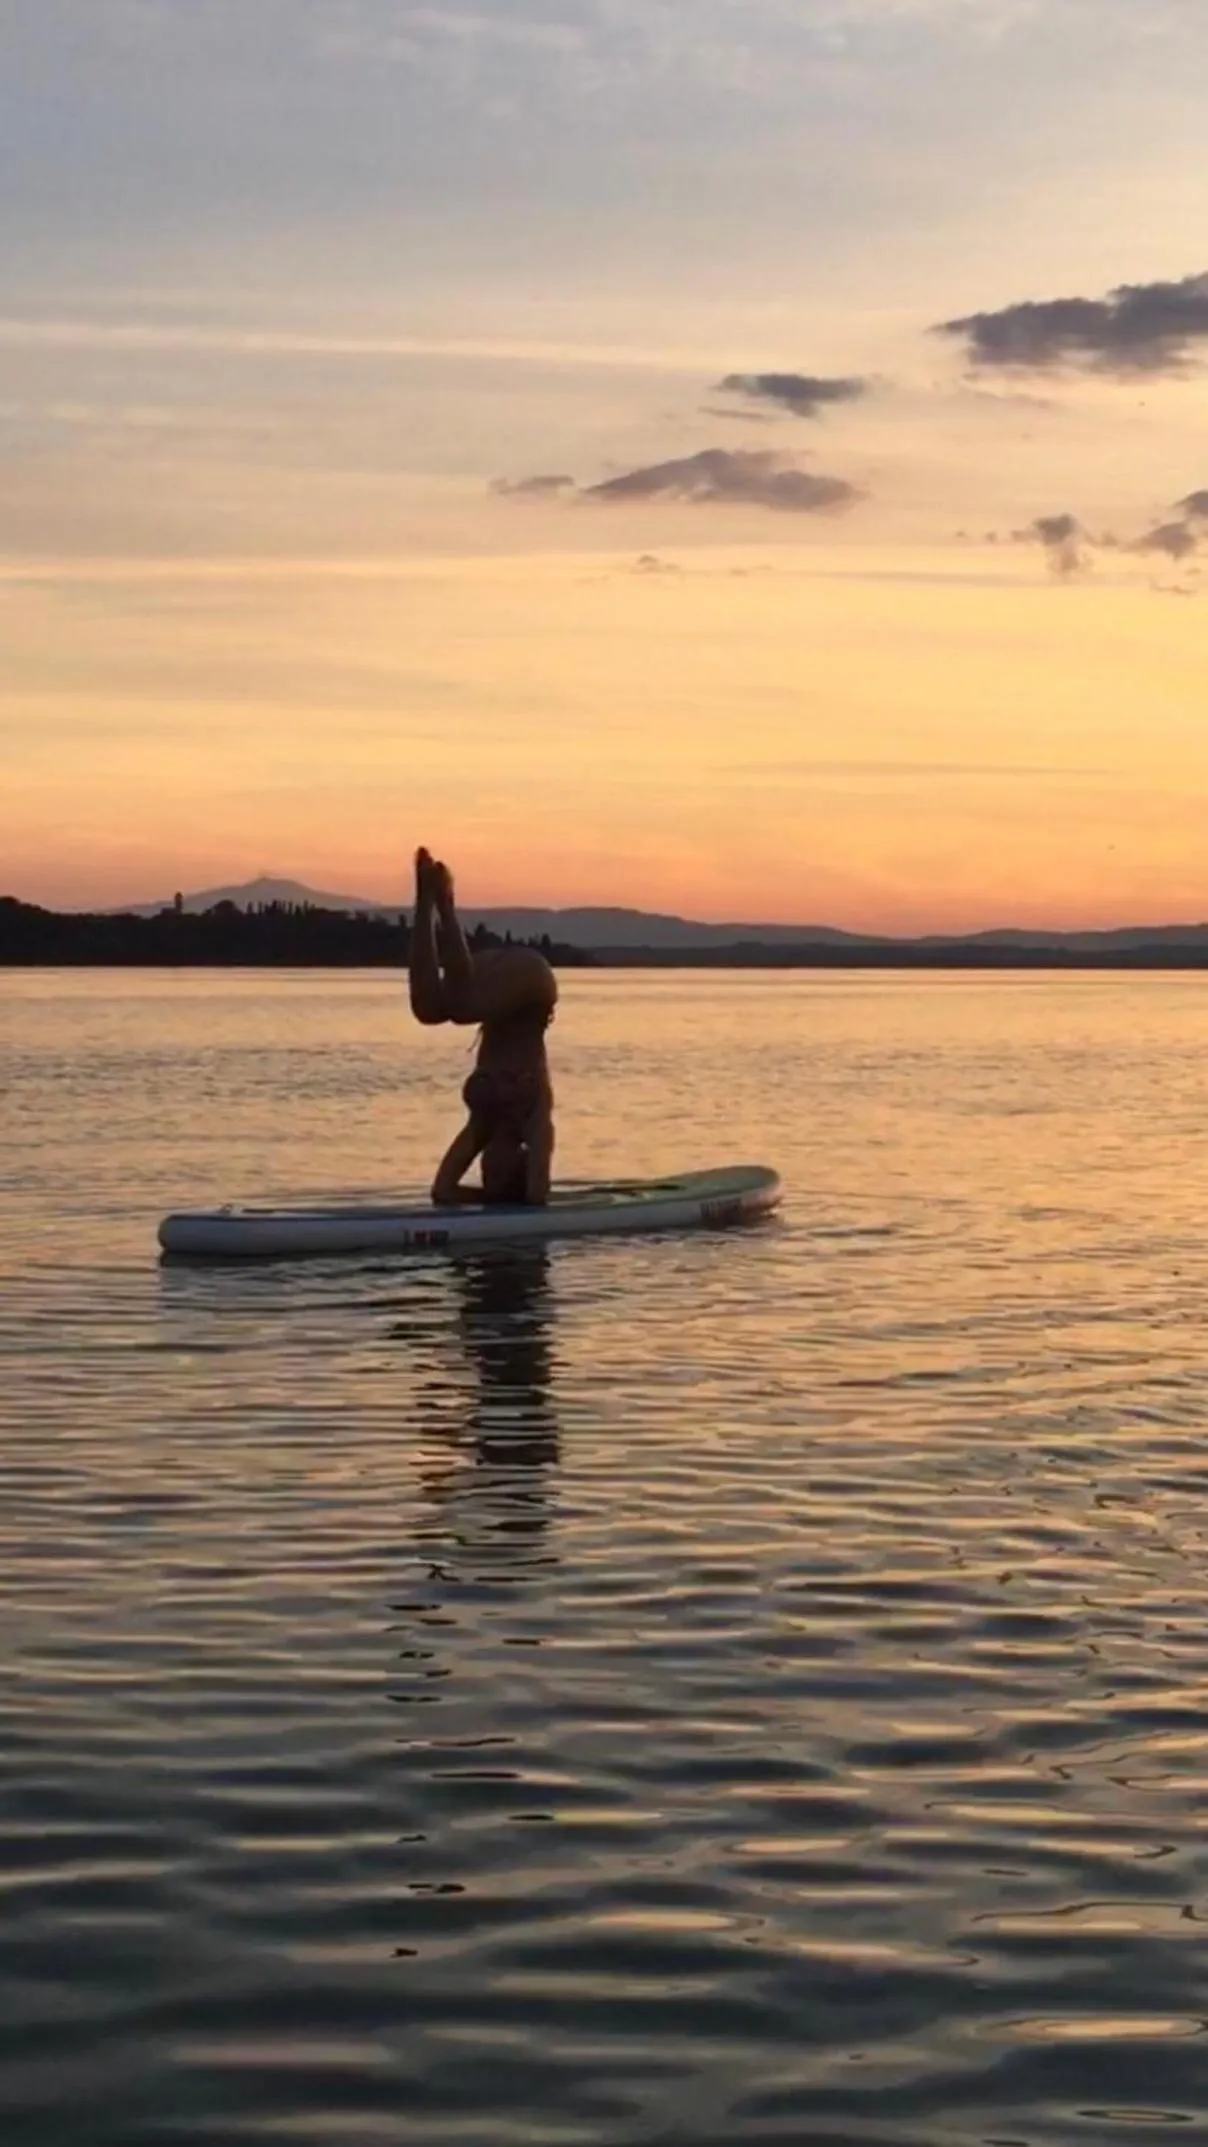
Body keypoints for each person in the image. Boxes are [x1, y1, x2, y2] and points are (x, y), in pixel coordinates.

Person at [409, 847, 557, 1207]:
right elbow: (538, 1195)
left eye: (485, 1176)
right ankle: (445, 901)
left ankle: (427, 901)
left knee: (427, 1010)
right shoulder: (535, 1124)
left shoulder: (482, 1125)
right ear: (519, 1164)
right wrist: (509, 1201)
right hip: (532, 982)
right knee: (461, 1008)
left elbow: (442, 1191)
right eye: (496, 1175)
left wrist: (487, 1201)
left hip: (494, 992)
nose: (486, 1169)